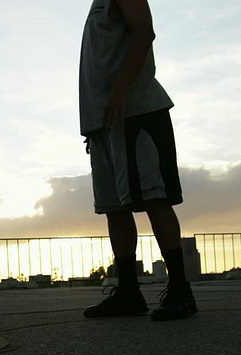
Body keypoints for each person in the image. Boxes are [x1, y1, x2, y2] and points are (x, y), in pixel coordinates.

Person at [79, 0, 197, 321]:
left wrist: (119, 92)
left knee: (155, 197)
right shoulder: (97, 6)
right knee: (114, 207)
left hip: (137, 112)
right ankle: (129, 291)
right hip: (103, 123)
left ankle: (181, 290)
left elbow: (145, 33)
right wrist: (94, 123)